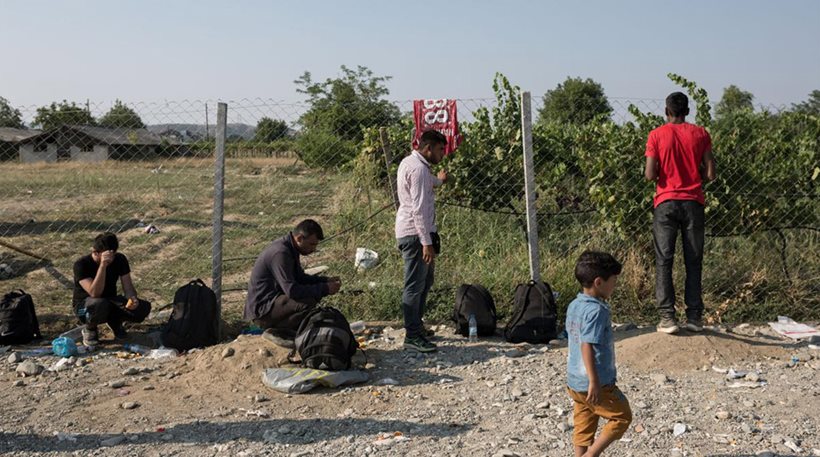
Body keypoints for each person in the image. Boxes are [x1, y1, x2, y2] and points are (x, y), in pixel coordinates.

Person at [645, 92, 716, 334]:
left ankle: (667, 317)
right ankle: (694, 317)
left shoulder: (656, 135)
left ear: (666, 111)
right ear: (687, 111)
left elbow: (649, 174)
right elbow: (710, 174)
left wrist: (664, 173)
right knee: (693, 261)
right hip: (693, 202)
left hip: (665, 202)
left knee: (664, 260)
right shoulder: (701, 134)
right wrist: (695, 173)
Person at [566, 251, 632, 457]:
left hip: (575, 382)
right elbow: (586, 344)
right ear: (598, 282)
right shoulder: (597, 311)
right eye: (613, 281)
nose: (615, 285)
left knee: (583, 424)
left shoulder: (574, 305)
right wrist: (594, 382)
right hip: (596, 383)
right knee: (622, 416)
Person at [244, 219, 341, 348]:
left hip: (274, 302)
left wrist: (324, 281)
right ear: (299, 238)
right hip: (262, 310)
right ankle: (276, 331)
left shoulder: (291, 248)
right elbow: (292, 290)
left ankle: (288, 329)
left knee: (312, 296)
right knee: (306, 302)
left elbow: (300, 278)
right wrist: (324, 288)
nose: (314, 249)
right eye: (312, 244)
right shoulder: (281, 253)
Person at [395, 129, 448, 353]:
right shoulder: (418, 169)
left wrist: (440, 181)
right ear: (428, 148)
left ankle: (417, 326)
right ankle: (412, 335)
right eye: (440, 149)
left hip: (418, 234)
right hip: (416, 235)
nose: (442, 154)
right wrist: (426, 242)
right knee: (415, 285)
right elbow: (417, 210)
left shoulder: (413, 164)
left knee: (425, 282)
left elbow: (427, 183)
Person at [72, 232, 151, 347]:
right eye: (107, 256)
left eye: (112, 255)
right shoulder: (81, 265)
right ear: (96, 252)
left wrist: (132, 299)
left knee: (143, 308)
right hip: (85, 307)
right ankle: (90, 329)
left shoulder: (119, 259)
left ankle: (115, 322)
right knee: (98, 304)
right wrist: (102, 266)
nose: (111, 259)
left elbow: (128, 287)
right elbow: (95, 293)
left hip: (110, 300)